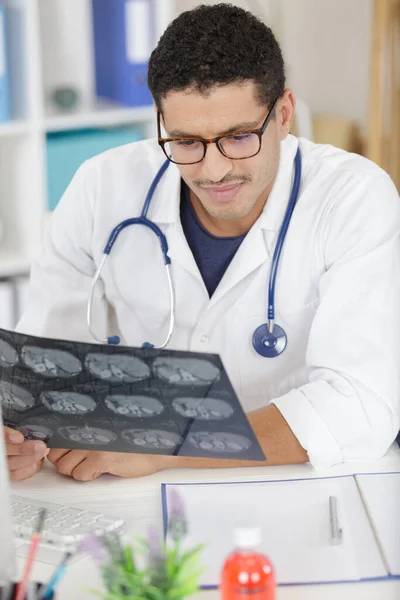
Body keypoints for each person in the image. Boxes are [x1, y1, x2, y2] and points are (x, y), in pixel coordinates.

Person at [4, 3, 400, 482]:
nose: (213, 171)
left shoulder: (353, 198)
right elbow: (46, 371)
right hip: (130, 488)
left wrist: (163, 443)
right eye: (186, 141)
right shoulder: (101, 187)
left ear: (284, 114)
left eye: (238, 137)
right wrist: (23, 433)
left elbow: (361, 407)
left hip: (301, 486)